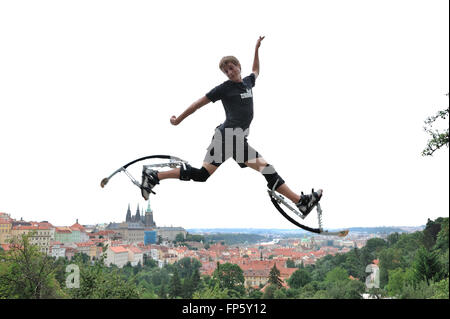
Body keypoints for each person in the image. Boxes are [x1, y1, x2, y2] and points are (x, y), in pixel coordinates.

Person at [141, 36, 322, 217]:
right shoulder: (224, 88)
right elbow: (197, 104)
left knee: (202, 175)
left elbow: (256, 70)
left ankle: (155, 176)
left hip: (231, 138)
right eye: (225, 71)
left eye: (231, 68)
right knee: (266, 169)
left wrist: (256, 48)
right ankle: (300, 202)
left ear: (238, 67)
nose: (229, 72)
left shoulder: (248, 82)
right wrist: (178, 119)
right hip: (229, 137)